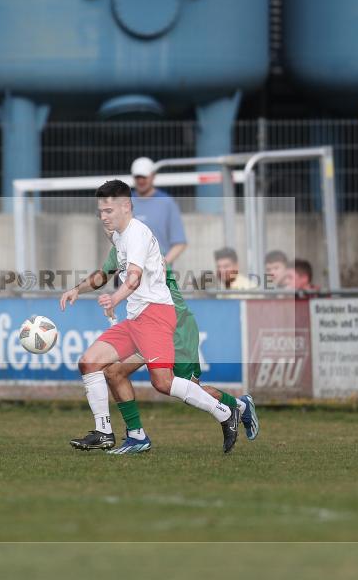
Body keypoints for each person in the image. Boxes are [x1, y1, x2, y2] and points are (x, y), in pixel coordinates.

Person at [59, 180, 241, 454]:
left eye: (108, 210)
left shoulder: (137, 234)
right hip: (136, 320)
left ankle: (225, 413)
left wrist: (115, 298)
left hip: (156, 314)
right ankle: (105, 432)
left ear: (126, 207)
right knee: (90, 363)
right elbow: (104, 274)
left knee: (163, 383)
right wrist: (77, 289)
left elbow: (133, 277)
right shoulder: (119, 237)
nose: (103, 216)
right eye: (100, 211)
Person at [98, 240, 259, 454]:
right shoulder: (120, 251)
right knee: (114, 371)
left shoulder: (148, 253)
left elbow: (144, 283)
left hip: (177, 330)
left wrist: (116, 297)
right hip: (147, 330)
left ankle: (239, 406)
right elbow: (106, 277)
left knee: (189, 390)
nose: (108, 223)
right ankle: (136, 436)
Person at [129, 157, 187, 265]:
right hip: (129, 271)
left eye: (144, 177)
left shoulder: (167, 203)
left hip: (158, 274)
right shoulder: (125, 203)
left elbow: (179, 243)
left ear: (153, 176)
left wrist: (162, 264)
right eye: (138, 177)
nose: (141, 180)